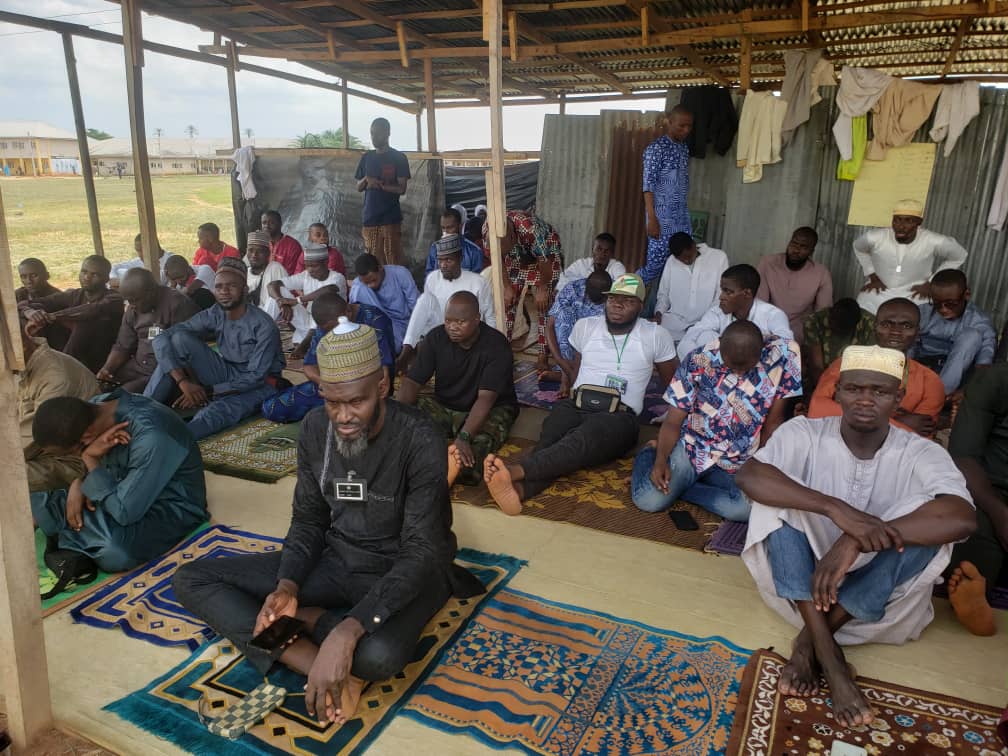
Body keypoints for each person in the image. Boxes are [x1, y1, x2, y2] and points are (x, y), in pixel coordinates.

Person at [172, 320, 483, 726]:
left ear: (383, 386)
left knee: (377, 655)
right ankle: (315, 661)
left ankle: (313, 621)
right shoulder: (317, 429)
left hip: (407, 568)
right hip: (338, 558)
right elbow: (308, 518)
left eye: (356, 401)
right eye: (332, 401)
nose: (343, 416)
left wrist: (351, 629)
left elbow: (422, 550)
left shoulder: (420, 437)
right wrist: (287, 586)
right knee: (192, 578)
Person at [736, 345, 975, 726]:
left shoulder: (920, 452)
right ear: (838, 391)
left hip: (874, 605)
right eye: (855, 389)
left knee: (928, 519)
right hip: (801, 592)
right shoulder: (804, 432)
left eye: (879, 392)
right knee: (775, 498)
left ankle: (809, 644)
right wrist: (836, 510)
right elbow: (749, 476)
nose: (865, 400)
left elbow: (962, 518)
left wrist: (856, 539)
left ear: (898, 398)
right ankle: (831, 659)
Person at [483, 274, 678, 515]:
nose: (617, 304)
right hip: (577, 403)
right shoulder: (586, 326)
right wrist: (568, 387)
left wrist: (673, 423)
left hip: (618, 417)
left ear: (640, 305)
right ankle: (520, 492)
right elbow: (577, 369)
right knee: (551, 440)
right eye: (613, 299)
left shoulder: (656, 335)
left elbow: (675, 385)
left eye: (627, 301)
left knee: (579, 441)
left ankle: (514, 471)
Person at [632, 322, 801, 521]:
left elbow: (774, 422)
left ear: (760, 353)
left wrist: (761, 465)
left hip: (740, 459)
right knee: (648, 501)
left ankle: (683, 489)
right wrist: (660, 461)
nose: (738, 373)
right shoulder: (698, 360)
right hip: (694, 450)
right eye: (732, 366)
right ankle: (649, 452)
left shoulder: (783, 358)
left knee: (746, 510)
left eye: (745, 367)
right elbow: (672, 421)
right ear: (720, 347)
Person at [29, 392, 208, 572]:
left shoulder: (151, 435)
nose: (75, 456)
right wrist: (80, 481)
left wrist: (90, 458)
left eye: (71, 453)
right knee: (29, 502)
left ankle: (65, 529)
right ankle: (76, 531)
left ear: (87, 437)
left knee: (116, 552)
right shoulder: (97, 406)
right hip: (119, 491)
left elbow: (124, 513)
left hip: (169, 506)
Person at [144, 259, 285, 440]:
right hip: (226, 372)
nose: (224, 292)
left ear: (245, 289)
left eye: (231, 286)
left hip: (262, 384)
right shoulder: (215, 312)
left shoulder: (264, 325)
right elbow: (162, 338)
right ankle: (143, 411)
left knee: (216, 412)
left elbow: (256, 377)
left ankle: (171, 440)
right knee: (178, 339)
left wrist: (208, 391)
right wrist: (183, 382)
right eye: (218, 287)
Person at [397, 291, 517, 487]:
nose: (452, 327)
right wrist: (395, 418)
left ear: (477, 319)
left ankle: (436, 465)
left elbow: (486, 398)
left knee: (473, 454)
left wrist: (464, 436)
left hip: (490, 408)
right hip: (445, 405)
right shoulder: (435, 337)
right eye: (448, 321)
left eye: (460, 322)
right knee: (400, 413)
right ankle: (432, 459)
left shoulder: (496, 345)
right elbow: (412, 382)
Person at [809, 298, 944, 437]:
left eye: (906, 326)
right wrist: (896, 421)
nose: (895, 332)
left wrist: (846, 414)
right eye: (886, 324)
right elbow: (817, 410)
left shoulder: (929, 381)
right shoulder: (847, 363)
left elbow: (916, 439)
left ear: (917, 332)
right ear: (875, 327)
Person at [943, 364, 1008, 637]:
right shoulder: (995, 380)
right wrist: (1002, 515)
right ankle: (974, 595)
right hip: (990, 488)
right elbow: (963, 456)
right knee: (971, 525)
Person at [262, 291, 394, 424]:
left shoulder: (375, 319)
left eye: (332, 328)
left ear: (348, 311)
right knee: (272, 408)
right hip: (332, 386)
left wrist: (350, 389)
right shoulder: (326, 324)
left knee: (363, 415)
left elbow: (384, 370)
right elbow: (309, 366)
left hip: (365, 388)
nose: (330, 333)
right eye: (326, 330)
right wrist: (327, 386)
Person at [398, 234, 495, 373]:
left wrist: (491, 345)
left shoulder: (478, 282)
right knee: (425, 299)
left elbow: (490, 317)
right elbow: (426, 313)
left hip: (467, 333)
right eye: (440, 260)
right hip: (440, 331)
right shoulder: (432, 278)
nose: (443, 265)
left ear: (460, 258)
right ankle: (406, 352)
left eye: (448, 260)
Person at [19, 324, 100, 492]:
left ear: (22, 345)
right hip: (38, 450)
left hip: (73, 459)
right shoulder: (21, 365)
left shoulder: (54, 377)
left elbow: (28, 443)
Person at [853, 199, 967, 314]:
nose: (900, 226)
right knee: (862, 304)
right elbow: (858, 247)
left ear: (919, 222)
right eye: (897, 220)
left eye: (908, 221)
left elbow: (959, 255)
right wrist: (872, 274)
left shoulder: (932, 240)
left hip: (915, 293)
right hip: (880, 290)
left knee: (922, 313)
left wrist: (932, 283)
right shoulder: (876, 237)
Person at [97, 268, 199, 394]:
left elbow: (187, 349)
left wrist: (187, 382)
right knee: (100, 386)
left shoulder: (177, 304)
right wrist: (107, 369)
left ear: (151, 292)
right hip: (138, 366)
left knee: (123, 394)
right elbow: (122, 346)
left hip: (167, 372)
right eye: (128, 301)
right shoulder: (133, 310)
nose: (131, 305)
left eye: (134, 300)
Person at [18, 255, 125, 373]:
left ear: (106, 278)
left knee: (84, 326)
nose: (86, 278)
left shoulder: (114, 298)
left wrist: (52, 316)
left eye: (94, 274)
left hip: (104, 353)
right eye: (84, 272)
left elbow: (91, 310)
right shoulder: (75, 294)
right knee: (29, 319)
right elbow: (30, 303)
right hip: (79, 352)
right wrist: (31, 312)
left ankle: (61, 371)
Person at [486, 210, 564, 370]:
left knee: (543, 305)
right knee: (508, 302)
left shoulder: (530, 229)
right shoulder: (488, 231)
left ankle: (543, 355)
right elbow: (498, 260)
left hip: (546, 256)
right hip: (516, 257)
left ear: (513, 238)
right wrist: (507, 288)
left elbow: (545, 260)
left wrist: (542, 289)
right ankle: (503, 352)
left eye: (505, 248)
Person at [677, 264, 792, 361]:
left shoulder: (773, 315)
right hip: (718, 372)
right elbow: (686, 341)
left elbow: (787, 347)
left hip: (756, 373)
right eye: (722, 290)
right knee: (704, 336)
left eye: (728, 292)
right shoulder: (717, 312)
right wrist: (704, 364)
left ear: (746, 294)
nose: (721, 297)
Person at [911, 269, 996, 396]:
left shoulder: (979, 321)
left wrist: (967, 391)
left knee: (972, 335)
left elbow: (983, 366)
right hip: (919, 368)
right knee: (905, 330)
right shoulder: (923, 312)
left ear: (966, 295)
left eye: (951, 304)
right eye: (937, 303)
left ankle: (937, 396)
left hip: (953, 377)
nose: (943, 309)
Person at [640, 105, 694, 288]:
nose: (686, 130)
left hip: (681, 217)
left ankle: (662, 308)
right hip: (661, 218)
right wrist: (652, 219)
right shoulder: (656, 149)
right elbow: (648, 186)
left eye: (689, 126)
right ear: (669, 122)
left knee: (680, 262)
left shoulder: (683, 149)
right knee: (654, 266)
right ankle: (624, 292)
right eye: (681, 126)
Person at [756, 227, 832, 342]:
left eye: (803, 247)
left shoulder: (821, 273)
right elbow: (760, 304)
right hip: (768, 327)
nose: (796, 250)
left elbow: (822, 313)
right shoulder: (768, 264)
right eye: (794, 243)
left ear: (811, 251)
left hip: (800, 333)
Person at [266, 243, 348, 344]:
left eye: (314, 266)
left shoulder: (337, 278)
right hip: (307, 322)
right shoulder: (305, 275)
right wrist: (281, 303)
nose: (310, 270)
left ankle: (307, 341)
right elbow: (272, 285)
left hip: (327, 327)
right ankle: (261, 329)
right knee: (278, 293)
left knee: (322, 305)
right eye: (307, 266)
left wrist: (297, 300)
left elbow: (329, 290)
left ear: (326, 262)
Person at [654, 233, 729, 344]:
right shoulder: (671, 261)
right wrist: (659, 312)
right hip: (675, 323)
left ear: (694, 245)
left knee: (703, 350)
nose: (686, 262)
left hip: (705, 325)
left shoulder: (718, 257)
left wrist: (704, 322)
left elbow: (721, 294)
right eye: (681, 260)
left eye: (688, 257)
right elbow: (663, 294)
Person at [356, 117, 411, 265]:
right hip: (370, 218)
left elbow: (402, 188)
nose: (374, 137)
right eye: (372, 133)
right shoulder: (367, 158)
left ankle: (395, 287)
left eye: (378, 133)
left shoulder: (398, 158)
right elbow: (358, 186)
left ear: (387, 133)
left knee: (393, 259)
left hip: (390, 218)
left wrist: (379, 185)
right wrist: (367, 180)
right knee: (373, 261)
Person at [544, 270, 611, 385]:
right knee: (565, 314)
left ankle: (569, 375)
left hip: (597, 352)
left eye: (601, 299)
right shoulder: (573, 288)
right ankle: (567, 372)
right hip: (570, 353)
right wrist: (560, 361)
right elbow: (550, 325)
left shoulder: (615, 297)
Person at [802, 298, 875, 394]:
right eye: (832, 321)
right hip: (822, 379)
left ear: (856, 324)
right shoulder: (814, 322)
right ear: (830, 312)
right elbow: (816, 366)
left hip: (856, 379)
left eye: (842, 329)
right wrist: (828, 392)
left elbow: (869, 367)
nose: (834, 327)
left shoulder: (870, 325)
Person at [349, 253, 419, 353]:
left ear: (380, 268)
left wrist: (415, 334)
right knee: (359, 288)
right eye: (366, 282)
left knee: (389, 345)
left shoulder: (400, 273)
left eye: (373, 280)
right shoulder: (359, 285)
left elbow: (416, 307)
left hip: (401, 323)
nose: (371, 285)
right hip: (376, 324)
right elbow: (355, 315)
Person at [554, 233, 625, 292]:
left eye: (607, 251)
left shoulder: (617, 267)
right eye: (599, 249)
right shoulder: (581, 264)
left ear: (612, 254)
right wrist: (588, 285)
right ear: (592, 249)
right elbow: (561, 281)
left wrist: (580, 283)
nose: (602, 254)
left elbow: (623, 286)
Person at [425, 208, 483, 274]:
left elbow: (477, 280)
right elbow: (429, 276)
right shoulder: (434, 248)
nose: (445, 232)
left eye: (450, 227)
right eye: (443, 228)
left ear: (460, 227)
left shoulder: (474, 251)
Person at [245, 230, 288, 310]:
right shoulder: (244, 273)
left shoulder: (275, 268)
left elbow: (283, 303)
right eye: (251, 250)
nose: (254, 255)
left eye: (260, 251)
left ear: (268, 253)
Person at [261, 210, 305, 275]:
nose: (267, 226)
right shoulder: (261, 243)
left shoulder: (293, 246)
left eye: (271, 223)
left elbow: (295, 274)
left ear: (280, 223)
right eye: (264, 223)